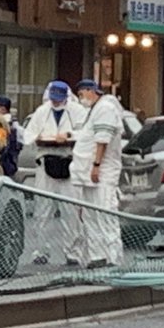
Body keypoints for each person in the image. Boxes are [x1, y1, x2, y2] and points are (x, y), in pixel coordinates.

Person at [24, 80, 87, 264]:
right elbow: (28, 135)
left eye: (59, 99)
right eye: (53, 99)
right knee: (42, 209)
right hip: (46, 162)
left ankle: (73, 252)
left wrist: (68, 136)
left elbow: (86, 134)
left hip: (69, 162)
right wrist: (41, 137)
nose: (56, 102)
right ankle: (41, 251)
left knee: (71, 210)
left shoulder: (78, 111)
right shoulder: (42, 111)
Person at [69, 79, 124, 267]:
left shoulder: (105, 108)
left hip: (102, 171)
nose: (81, 98)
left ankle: (113, 257)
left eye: (81, 94)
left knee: (105, 213)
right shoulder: (95, 109)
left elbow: (102, 139)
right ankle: (97, 255)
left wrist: (96, 164)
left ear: (90, 91)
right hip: (88, 173)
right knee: (90, 216)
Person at [0, 95, 22, 179]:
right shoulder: (13, 124)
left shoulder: (7, 125)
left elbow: (3, 148)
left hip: (5, 168)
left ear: (3, 109)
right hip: (9, 167)